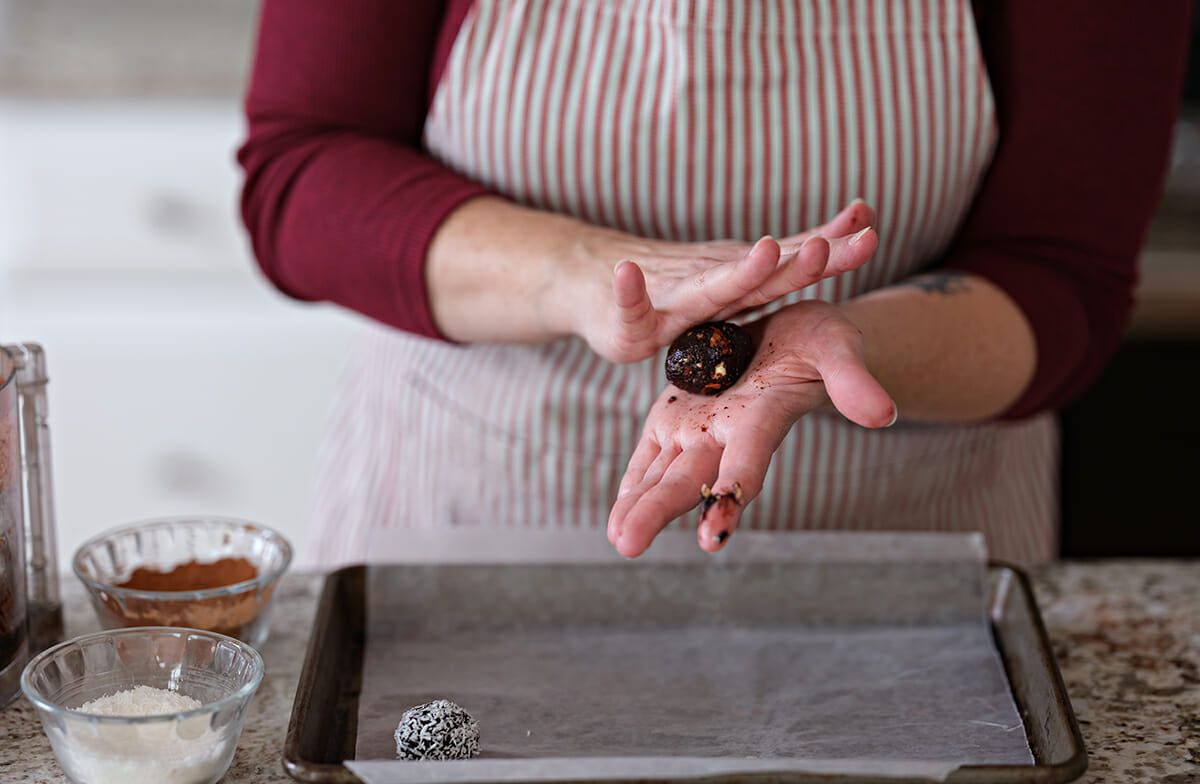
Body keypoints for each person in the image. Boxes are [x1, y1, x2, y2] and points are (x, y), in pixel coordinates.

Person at [238, 1, 1190, 567]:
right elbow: (303, 177)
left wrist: (840, 347)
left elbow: (1062, 276)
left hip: (910, 554)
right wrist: (578, 273)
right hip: (476, 515)